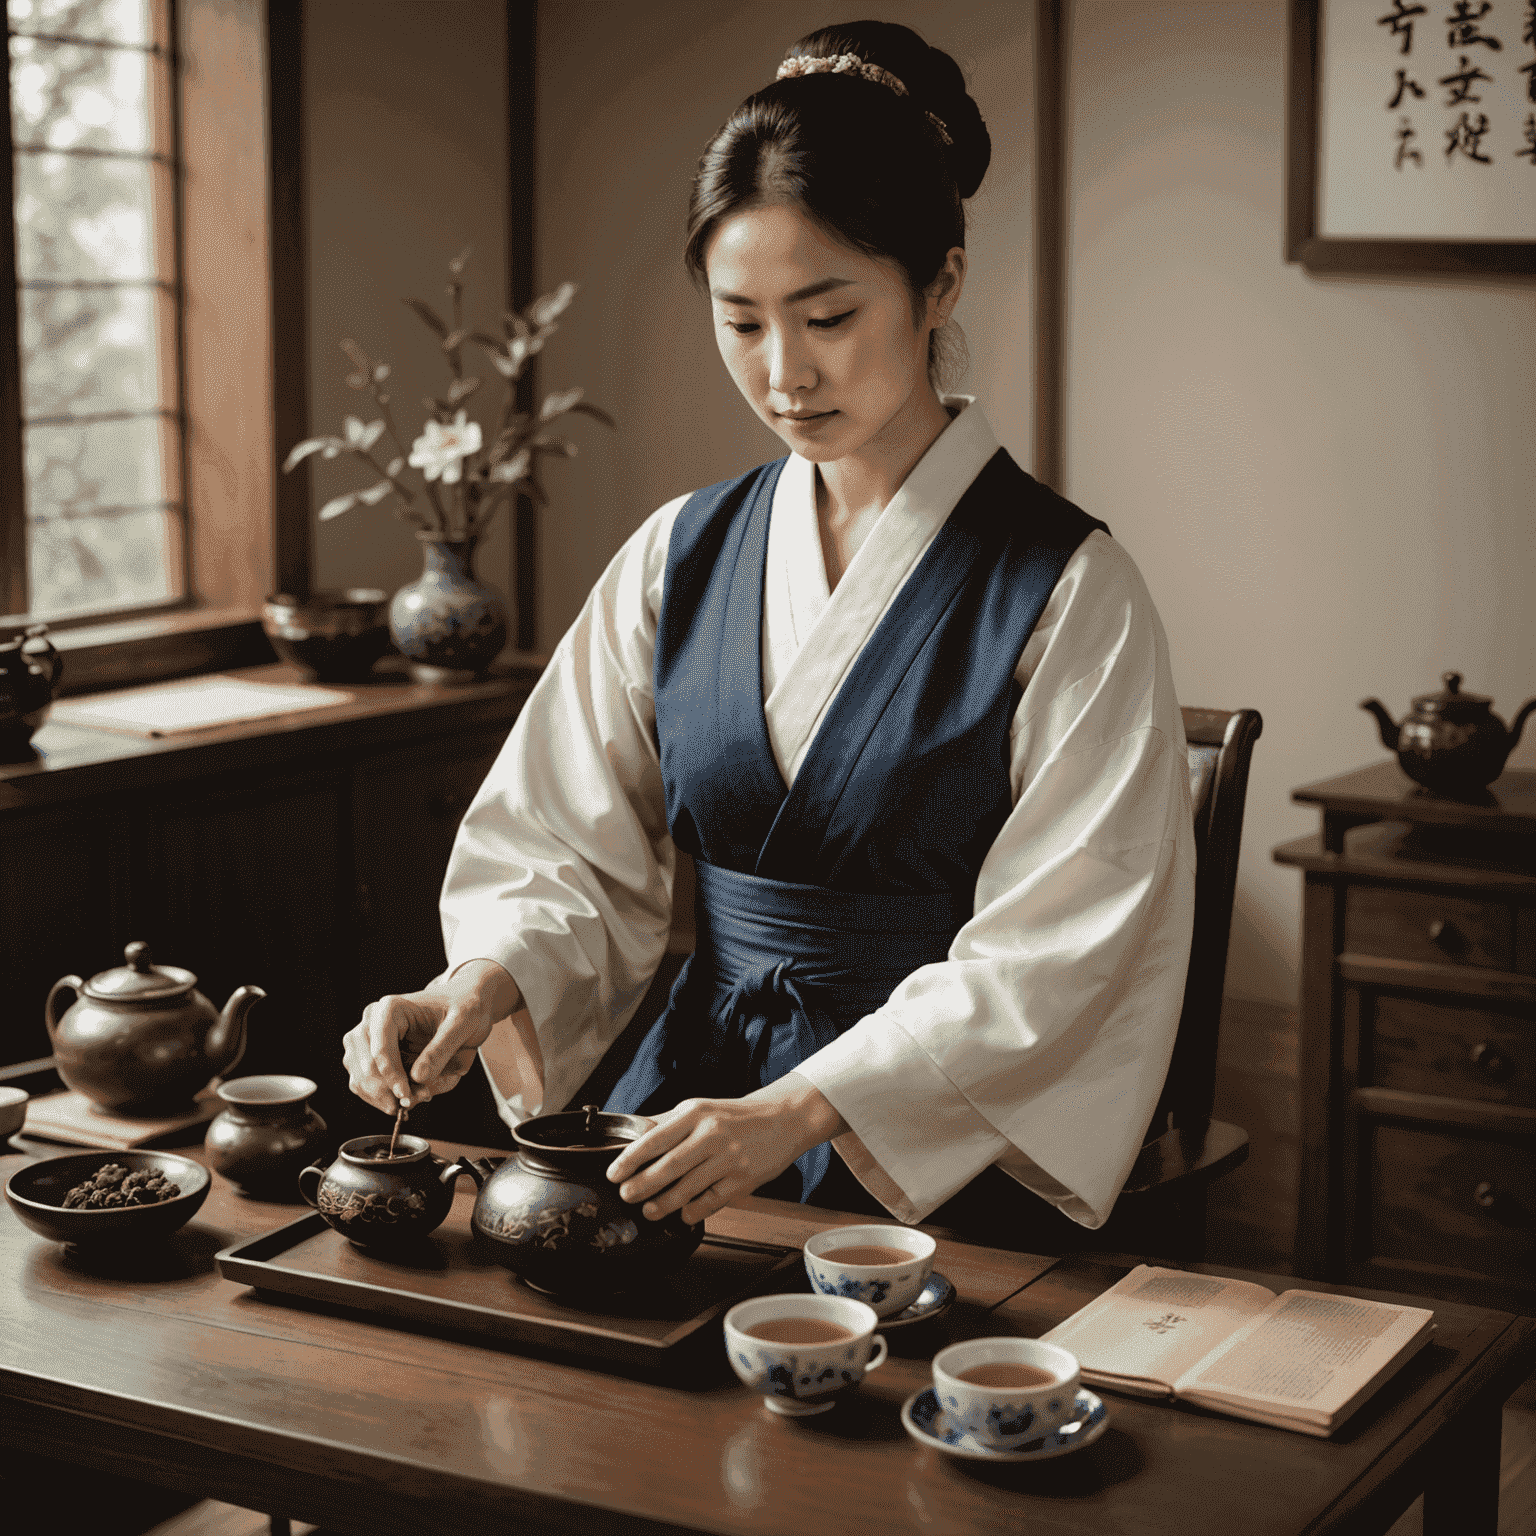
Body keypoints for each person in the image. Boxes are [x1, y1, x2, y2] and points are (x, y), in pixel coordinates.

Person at [342, 20, 1195, 1249]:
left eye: (827, 314)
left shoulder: (1070, 590)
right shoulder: (680, 555)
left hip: (930, 1161)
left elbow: (1062, 952)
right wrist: (481, 980)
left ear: (940, 283)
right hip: (688, 1123)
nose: (784, 371)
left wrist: (803, 1107)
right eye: (741, 322)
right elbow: (561, 838)